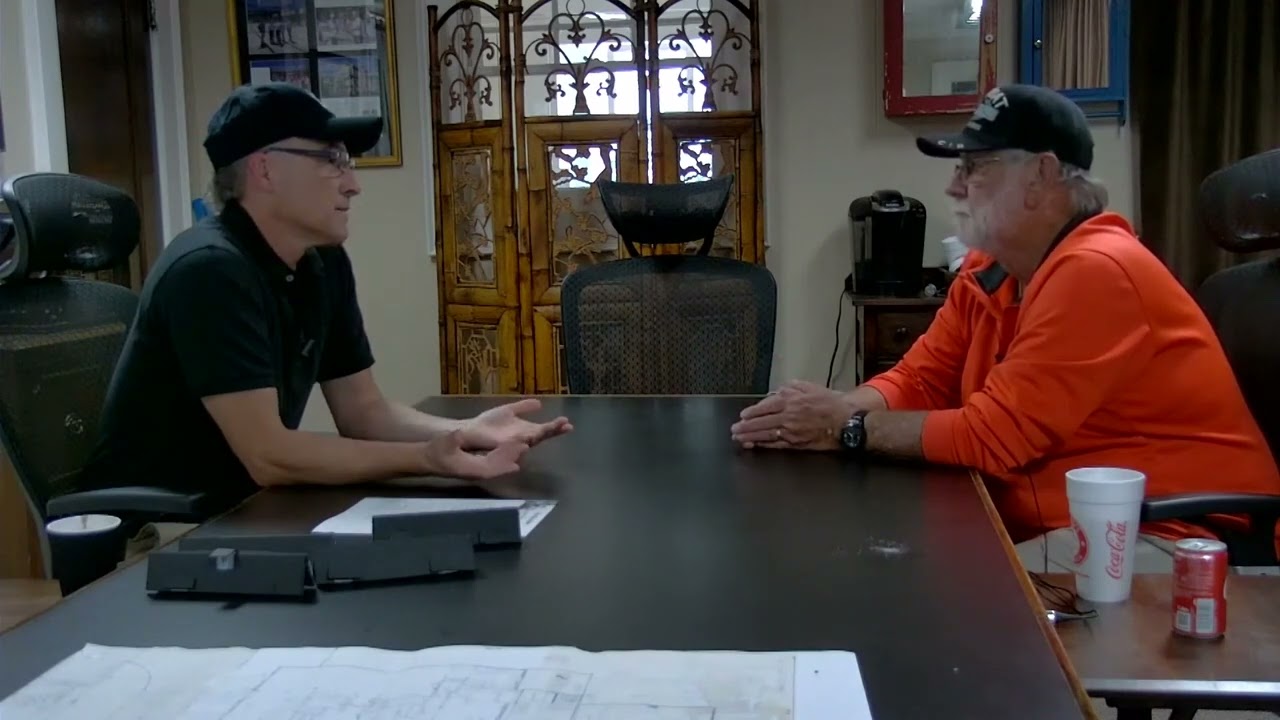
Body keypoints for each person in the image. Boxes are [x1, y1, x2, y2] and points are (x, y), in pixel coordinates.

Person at [731, 84, 1280, 572]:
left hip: (1178, 535)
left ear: (1040, 176)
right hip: (1070, 522)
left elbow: (993, 438)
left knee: (953, 605)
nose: (955, 187)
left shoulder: (1098, 270)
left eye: (974, 168)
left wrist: (846, 428)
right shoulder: (988, 271)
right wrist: (834, 411)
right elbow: (921, 378)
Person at [84, 82, 572, 518]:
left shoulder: (321, 261)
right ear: (264, 169)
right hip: (163, 528)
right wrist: (426, 458)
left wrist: (465, 432)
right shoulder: (208, 271)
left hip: (248, 507)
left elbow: (364, 413)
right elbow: (269, 456)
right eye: (331, 160)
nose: (353, 184)